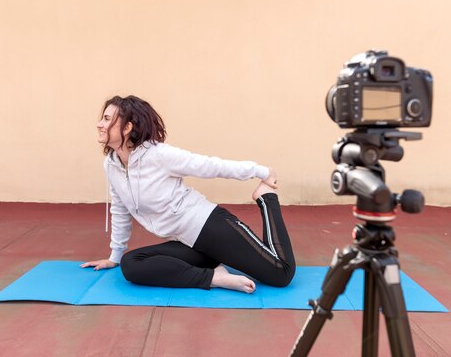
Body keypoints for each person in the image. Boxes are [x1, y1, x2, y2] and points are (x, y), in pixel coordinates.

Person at [81, 95, 295, 293]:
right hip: (187, 243)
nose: (99, 124)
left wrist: (261, 172)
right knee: (131, 264)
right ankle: (215, 278)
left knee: (281, 273)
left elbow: (209, 166)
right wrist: (114, 257)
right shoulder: (111, 165)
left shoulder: (158, 155)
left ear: (127, 127)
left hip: (210, 228)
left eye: (107, 119)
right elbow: (119, 209)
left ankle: (266, 198)